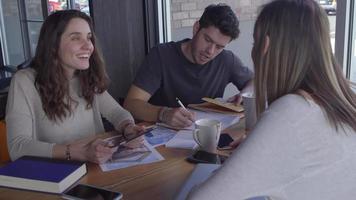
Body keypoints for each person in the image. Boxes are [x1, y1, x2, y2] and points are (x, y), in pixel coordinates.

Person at [188, 0, 356, 199]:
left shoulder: (292, 111)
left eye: (254, 43)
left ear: (265, 45)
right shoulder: (347, 94)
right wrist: (259, 148)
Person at [6, 10, 145, 164]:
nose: (88, 46)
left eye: (89, 37)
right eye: (76, 38)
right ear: (53, 45)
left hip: (94, 168)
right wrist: (75, 152)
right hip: (57, 176)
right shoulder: (24, 81)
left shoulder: (86, 76)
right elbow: (17, 147)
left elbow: (115, 111)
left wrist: (128, 128)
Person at [124, 4, 253, 129]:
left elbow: (255, 81)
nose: (210, 51)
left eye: (219, 47)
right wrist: (163, 114)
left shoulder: (227, 60)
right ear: (196, 28)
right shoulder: (161, 55)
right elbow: (131, 104)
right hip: (162, 139)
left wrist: (245, 94)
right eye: (208, 40)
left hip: (204, 137)